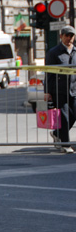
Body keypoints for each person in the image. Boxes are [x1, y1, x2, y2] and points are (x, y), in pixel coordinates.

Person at [45, 25, 76, 153]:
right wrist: (47, 91)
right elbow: (48, 73)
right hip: (59, 90)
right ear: (61, 36)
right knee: (64, 117)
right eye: (66, 35)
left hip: (74, 90)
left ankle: (57, 133)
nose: (69, 38)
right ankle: (65, 145)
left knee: (73, 115)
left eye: (71, 36)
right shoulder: (54, 52)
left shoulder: (75, 52)